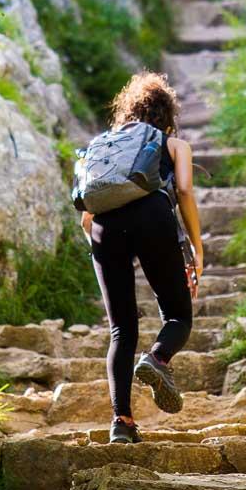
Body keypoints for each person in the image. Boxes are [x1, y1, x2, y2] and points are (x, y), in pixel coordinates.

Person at [80, 71, 204, 444]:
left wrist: (106, 247)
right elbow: (182, 189)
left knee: (121, 329)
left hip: (103, 225)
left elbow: (86, 214)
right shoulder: (174, 144)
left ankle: (122, 422)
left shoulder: (101, 146)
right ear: (167, 114)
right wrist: (196, 248)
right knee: (178, 315)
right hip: (152, 214)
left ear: (127, 111)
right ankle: (157, 359)